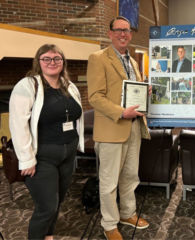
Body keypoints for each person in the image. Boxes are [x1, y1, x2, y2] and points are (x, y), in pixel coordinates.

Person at [9, 44, 84, 240]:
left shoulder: (69, 86)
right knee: (47, 207)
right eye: (47, 59)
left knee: (57, 202)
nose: (52, 62)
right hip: (42, 158)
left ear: (63, 62)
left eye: (57, 58)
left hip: (67, 155)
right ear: (38, 62)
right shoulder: (27, 85)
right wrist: (26, 159)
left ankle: (48, 236)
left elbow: (75, 118)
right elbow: (18, 124)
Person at [86, 16, 151, 240]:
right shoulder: (98, 58)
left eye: (126, 30)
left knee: (131, 176)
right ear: (110, 33)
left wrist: (144, 92)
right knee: (109, 180)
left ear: (131, 34)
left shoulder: (133, 62)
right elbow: (95, 97)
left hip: (134, 127)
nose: (123, 34)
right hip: (113, 127)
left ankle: (127, 213)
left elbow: (128, 91)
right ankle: (109, 224)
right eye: (118, 30)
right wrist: (121, 112)